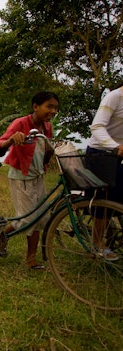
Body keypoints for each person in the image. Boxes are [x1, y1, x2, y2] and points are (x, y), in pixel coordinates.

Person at [0, 91, 59, 270]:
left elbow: (45, 150)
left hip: (38, 176)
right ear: (36, 107)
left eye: (55, 108)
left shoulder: (47, 127)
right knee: (26, 220)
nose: (53, 111)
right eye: (49, 106)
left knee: (40, 218)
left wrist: (50, 154)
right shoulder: (21, 123)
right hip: (21, 176)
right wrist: (12, 140)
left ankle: (31, 259)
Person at [85, 85, 123, 261]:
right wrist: (114, 146)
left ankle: (112, 236)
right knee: (103, 200)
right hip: (100, 153)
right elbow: (97, 126)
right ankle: (97, 243)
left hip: (118, 155)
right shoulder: (114, 97)